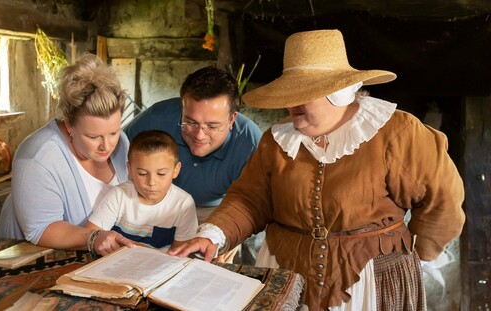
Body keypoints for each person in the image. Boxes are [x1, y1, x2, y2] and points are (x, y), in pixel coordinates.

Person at [169, 29, 465, 311]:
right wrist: (213, 235)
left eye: (303, 93)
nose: (291, 104)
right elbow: (249, 199)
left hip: (368, 282)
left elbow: (443, 200)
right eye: (289, 93)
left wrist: (419, 255)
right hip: (287, 275)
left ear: (337, 91)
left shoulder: (397, 133)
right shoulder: (277, 141)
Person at [0, 53, 135, 257]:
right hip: (32, 264)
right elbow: (41, 229)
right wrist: (93, 237)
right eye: (93, 136)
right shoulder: (38, 157)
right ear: (69, 125)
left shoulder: (121, 142)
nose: (107, 145)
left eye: (113, 132)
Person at [123, 66, 263, 262]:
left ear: (232, 120)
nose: (199, 135)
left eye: (212, 126)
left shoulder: (250, 142)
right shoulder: (155, 119)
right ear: (182, 108)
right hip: (161, 202)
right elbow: (118, 157)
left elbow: (252, 203)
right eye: (190, 122)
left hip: (217, 211)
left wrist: (228, 235)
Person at [85, 130, 198, 251]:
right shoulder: (118, 195)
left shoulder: (184, 204)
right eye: (142, 173)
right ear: (130, 170)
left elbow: (180, 253)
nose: (151, 182)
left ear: (176, 170)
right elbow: (90, 235)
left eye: (161, 174)